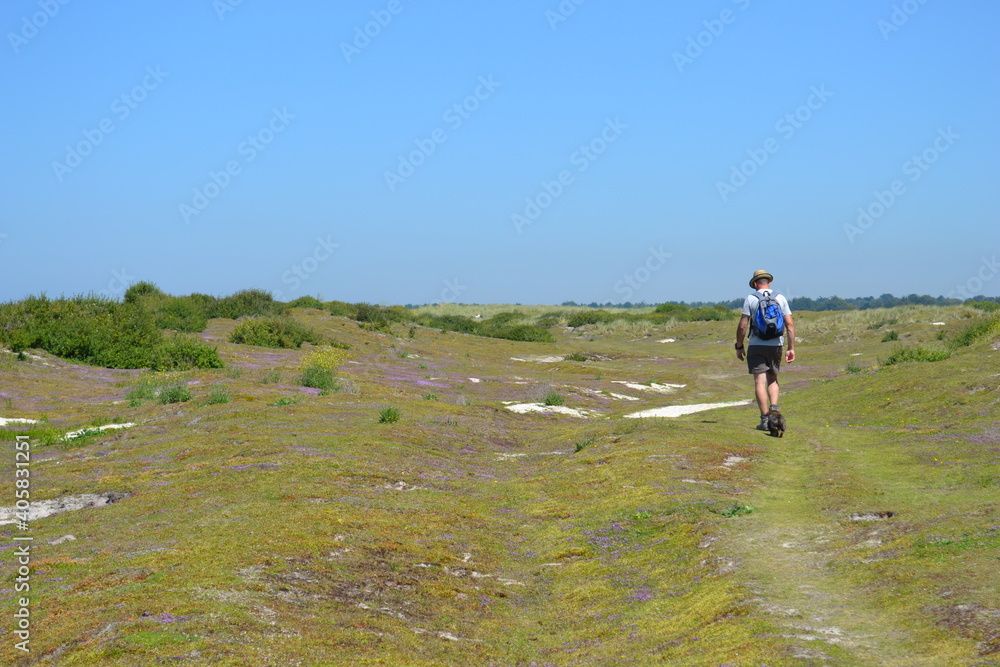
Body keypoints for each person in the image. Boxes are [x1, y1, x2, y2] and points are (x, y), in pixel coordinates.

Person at [735, 270, 795, 431]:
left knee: (759, 382)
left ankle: (764, 420)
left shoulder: (751, 299)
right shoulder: (780, 298)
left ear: (755, 284)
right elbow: (790, 325)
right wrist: (791, 348)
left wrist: (739, 346)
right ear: (769, 282)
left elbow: (743, 326)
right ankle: (774, 408)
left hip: (756, 344)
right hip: (776, 344)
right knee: (773, 379)